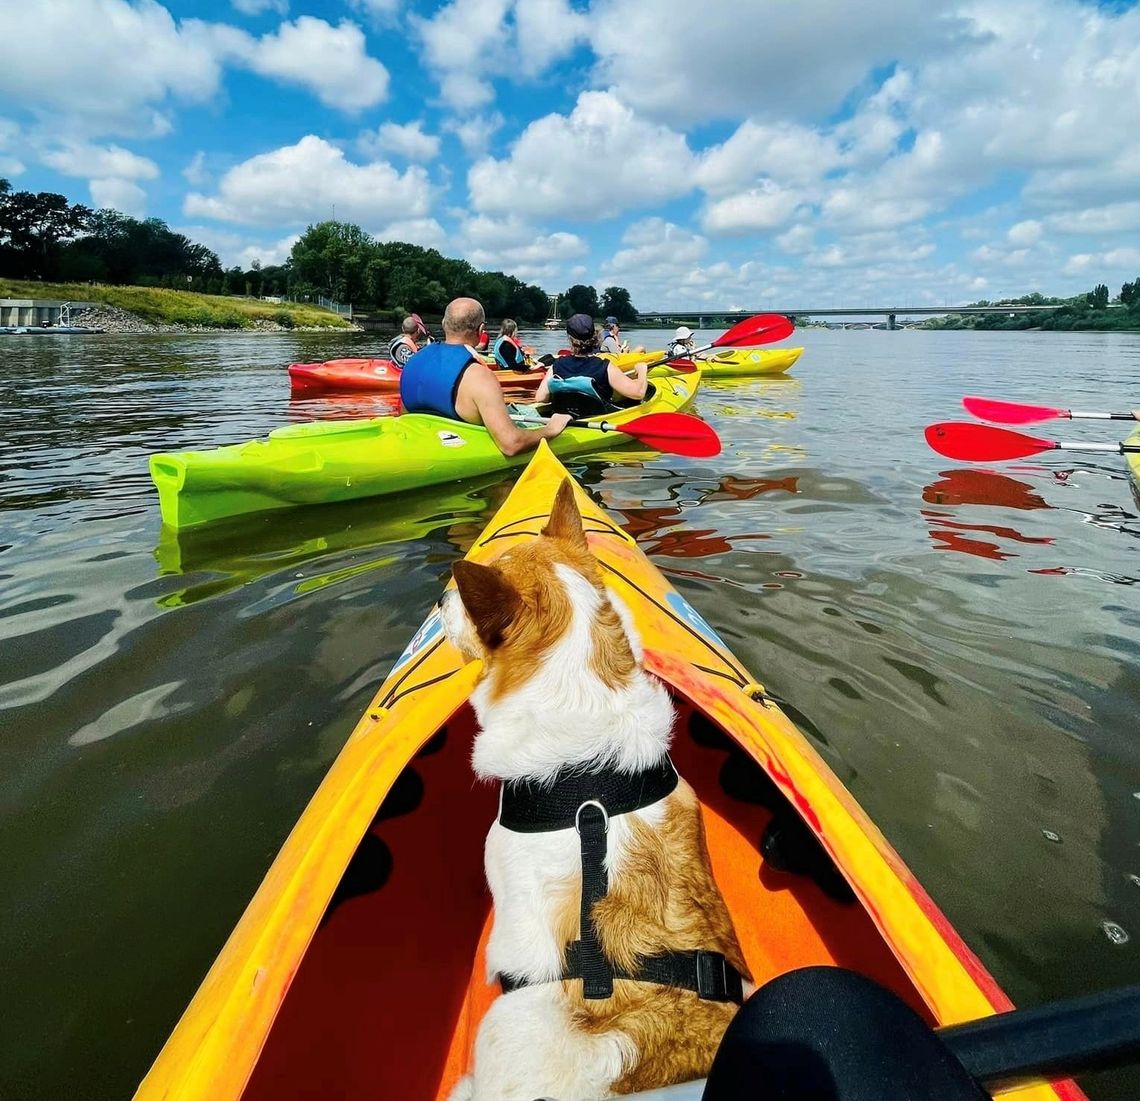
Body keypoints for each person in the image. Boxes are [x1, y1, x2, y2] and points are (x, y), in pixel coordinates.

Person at [399, 297, 571, 457]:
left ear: (444, 324)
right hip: (456, 454)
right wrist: (551, 429)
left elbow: (404, 418)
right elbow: (511, 444)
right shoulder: (479, 376)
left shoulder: (413, 362)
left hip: (417, 446)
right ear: (481, 330)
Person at [534, 313, 648, 416]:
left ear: (569, 338)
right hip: (598, 423)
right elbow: (638, 393)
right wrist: (642, 370)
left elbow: (540, 398)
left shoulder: (556, 366)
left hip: (566, 422)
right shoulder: (605, 366)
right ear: (594, 336)